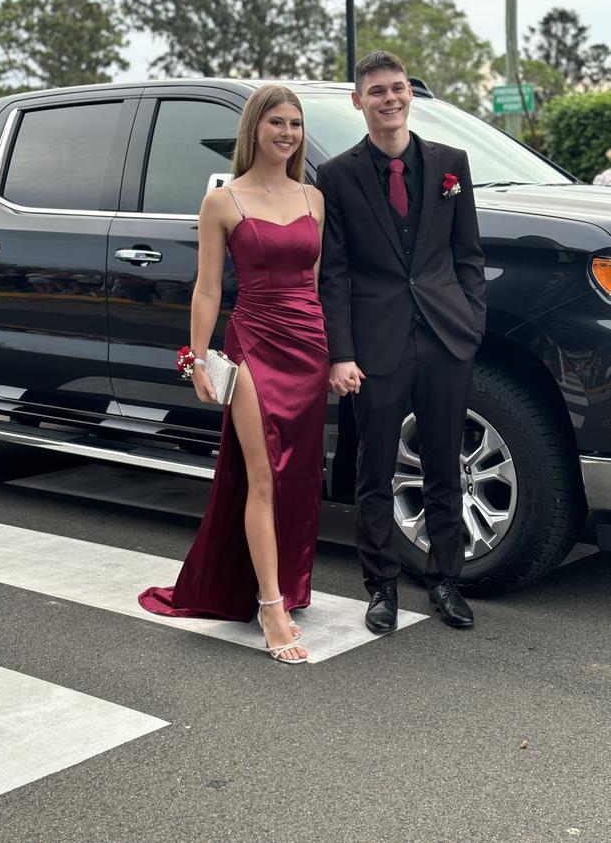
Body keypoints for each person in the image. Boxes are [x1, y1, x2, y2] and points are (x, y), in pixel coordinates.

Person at [139, 85, 328, 664]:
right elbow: (207, 287)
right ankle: (271, 604)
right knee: (263, 473)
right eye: (276, 122)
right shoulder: (223, 201)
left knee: (298, 477)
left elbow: (316, 285)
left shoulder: (314, 198)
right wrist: (197, 358)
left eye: (295, 123)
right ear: (254, 128)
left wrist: (335, 354)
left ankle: (286, 584)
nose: (287, 133)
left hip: (310, 348)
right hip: (253, 346)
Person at [317, 50, 486, 633]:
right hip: (375, 344)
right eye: (377, 91)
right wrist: (341, 351)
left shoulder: (450, 164)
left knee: (444, 461)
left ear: (409, 94)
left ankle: (445, 578)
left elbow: (469, 255)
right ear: (357, 101)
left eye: (398, 89)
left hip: (445, 337)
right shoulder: (337, 175)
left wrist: (471, 324)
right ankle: (381, 585)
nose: (390, 98)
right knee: (375, 468)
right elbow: (333, 272)